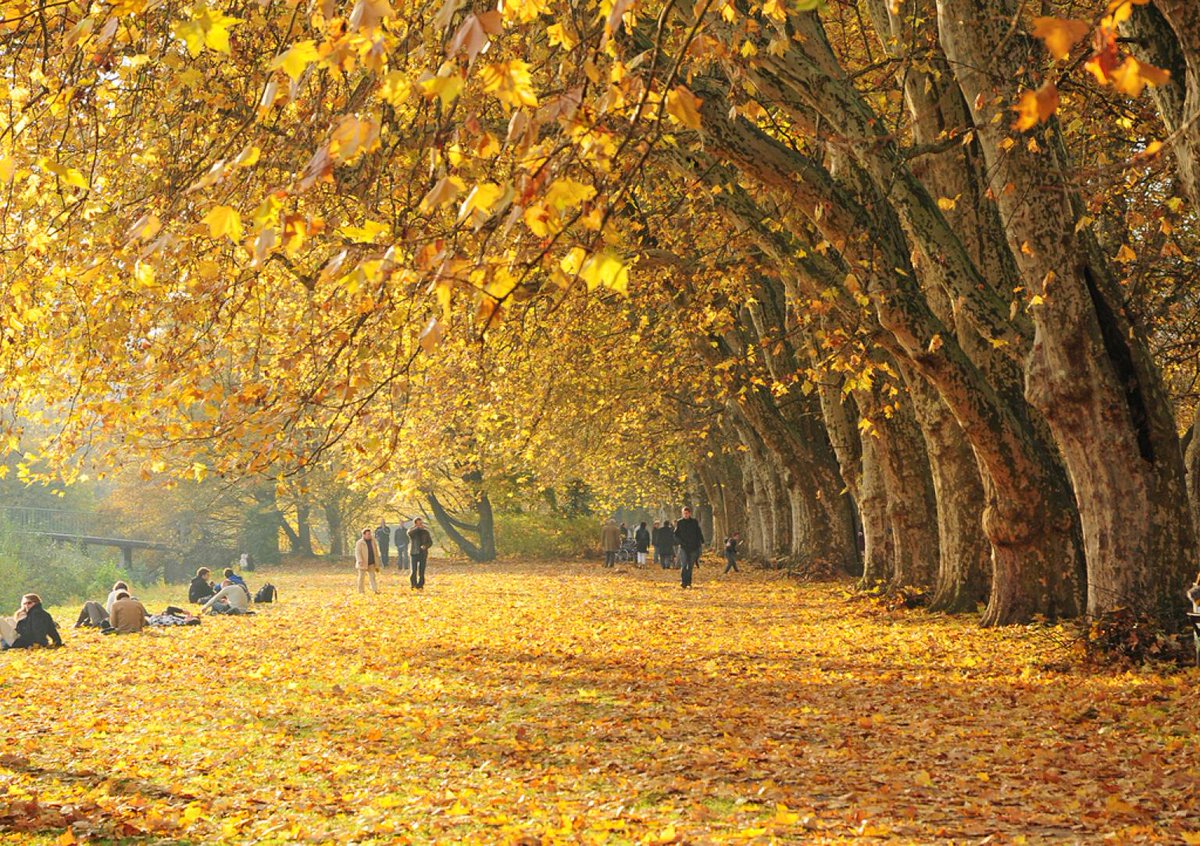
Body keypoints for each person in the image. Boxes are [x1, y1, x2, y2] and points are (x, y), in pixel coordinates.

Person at [673, 507, 705, 589]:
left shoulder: (694, 522)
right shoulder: (680, 522)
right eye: (684, 513)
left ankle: (689, 582)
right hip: (684, 547)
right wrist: (679, 542)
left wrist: (702, 541)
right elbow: (676, 534)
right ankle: (683, 582)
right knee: (684, 565)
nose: (685, 515)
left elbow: (698, 532)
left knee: (690, 566)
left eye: (687, 513)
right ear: (682, 514)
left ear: (690, 513)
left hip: (693, 547)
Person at [407, 517, 433, 590]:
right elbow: (409, 534)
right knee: (413, 570)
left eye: (421, 523)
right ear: (415, 524)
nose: (421, 525)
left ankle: (420, 585)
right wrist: (418, 528)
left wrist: (426, 546)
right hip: (414, 553)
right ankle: (413, 585)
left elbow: (430, 542)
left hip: (423, 553)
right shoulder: (411, 531)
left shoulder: (425, 532)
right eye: (419, 523)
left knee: (422, 571)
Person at [354, 527, 381, 594]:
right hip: (363, 563)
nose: (369, 535)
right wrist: (359, 560)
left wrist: (377, 562)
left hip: (371, 562)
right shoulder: (359, 543)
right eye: (368, 534)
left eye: (370, 534)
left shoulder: (373, 541)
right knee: (361, 578)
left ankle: (375, 590)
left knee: (372, 577)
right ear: (364, 535)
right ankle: (361, 591)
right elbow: (357, 552)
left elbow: (376, 552)